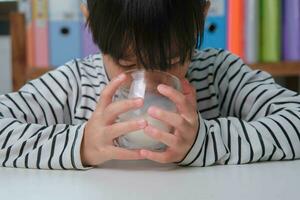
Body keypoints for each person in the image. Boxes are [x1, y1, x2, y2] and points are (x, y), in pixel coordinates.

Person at [0, 0, 299, 170]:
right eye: (127, 65)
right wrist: (82, 145)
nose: (152, 85)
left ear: (204, 11)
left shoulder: (218, 74)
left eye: (172, 62)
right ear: (88, 18)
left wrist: (203, 141)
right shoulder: (74, 84)